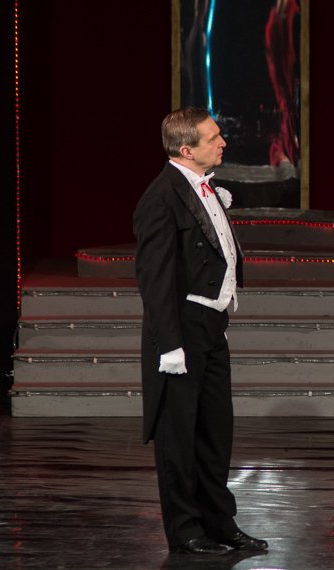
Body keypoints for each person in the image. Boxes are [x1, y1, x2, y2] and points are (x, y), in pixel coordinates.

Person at [133, 107, 268, 555]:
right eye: (213, 137)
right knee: (178, 436)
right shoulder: (160, 197)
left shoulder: (204, 188)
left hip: (211, 327)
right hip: (180, 335)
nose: (223, 142)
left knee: (215, 432)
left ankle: (219, 522)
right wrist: (170, 345)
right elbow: (154, 279)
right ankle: (186, 530)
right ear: (186, 149)